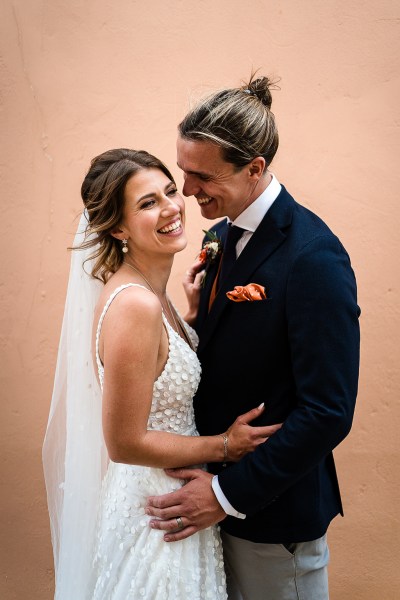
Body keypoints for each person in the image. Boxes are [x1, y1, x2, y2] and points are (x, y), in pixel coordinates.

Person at [145, 76, 361, 600]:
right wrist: (197, 321)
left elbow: (328, 410)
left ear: (255, 168)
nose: (188, 189)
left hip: (272, 515)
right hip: (211, 506)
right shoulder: (220, 235)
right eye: (183, 170)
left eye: (201, 175)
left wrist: (224, 494)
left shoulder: (313, 256)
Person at [42, 148, 281, 600]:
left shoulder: (152, 295)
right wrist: (224, 446)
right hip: (157, 514)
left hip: (174, 505)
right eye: (147, 203)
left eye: (170, 191)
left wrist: (189, 317)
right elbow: (124, 441)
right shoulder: (136, 305)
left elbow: (158, 372)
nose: (171, 207)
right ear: (116, 227)